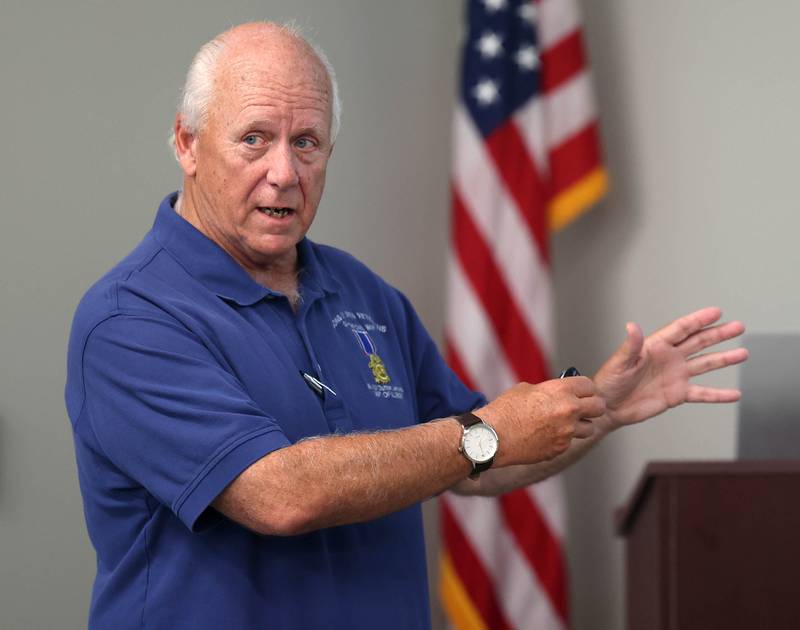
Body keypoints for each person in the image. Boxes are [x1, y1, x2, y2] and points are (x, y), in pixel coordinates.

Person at [65, 22, 747, 630]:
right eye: (254, 140)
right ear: (186, 143)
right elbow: (280, 493)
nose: (284, 173)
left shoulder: (362, 292)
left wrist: (601, 404)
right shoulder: (130, 318)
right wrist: (485, 436)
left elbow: (482, 464)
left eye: (307, 143)